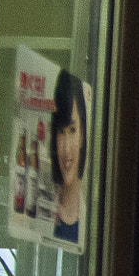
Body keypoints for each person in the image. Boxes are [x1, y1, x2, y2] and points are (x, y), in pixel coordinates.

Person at [50, 69, 87, 245]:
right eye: (60, 132)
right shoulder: (45, 208)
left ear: (82, 135)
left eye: (72, 130)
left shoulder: (94, 217)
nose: (65, 148)